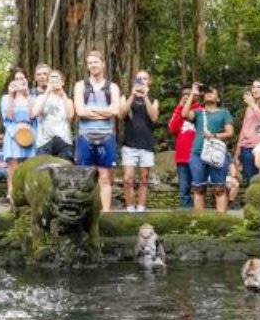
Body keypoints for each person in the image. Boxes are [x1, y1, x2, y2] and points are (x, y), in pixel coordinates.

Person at [74, 50, 122, 212]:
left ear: (103, 64)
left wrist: (91, 110)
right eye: (90, 63)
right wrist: (104, 112)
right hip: (85, 137)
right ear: (87, 66)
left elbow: (115, 110)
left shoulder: (112, 87)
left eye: (96, 62)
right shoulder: (80, 86)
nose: (93, 65)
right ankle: (84, 212)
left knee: (104, 177)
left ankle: (106, 213)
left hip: (106, 137)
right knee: (85, 178)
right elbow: (80, 112)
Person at [118, 69, 161, 212]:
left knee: (144, 178)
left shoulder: (153, 99)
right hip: (129, 144)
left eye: (145, 78)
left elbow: (154, 117)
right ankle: (130, 208)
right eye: (138, 79)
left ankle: (141, 208)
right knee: (128, 178)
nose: (142, 81)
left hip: (146, 144)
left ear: (149, 81)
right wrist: (132, 95)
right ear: (134, 81)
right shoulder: (126, 97)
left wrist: (145, 96)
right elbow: (121, 114)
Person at [188, 85, 235, 213]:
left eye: (212, 92)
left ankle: (220, 223)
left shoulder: (224, 112)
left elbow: (230, 133)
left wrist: (214, 135)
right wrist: (192, 94)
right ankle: (199, 222)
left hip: (217, 153)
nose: (208, 94)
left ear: (218, 99)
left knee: (219, 188)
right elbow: (184, 114)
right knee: (199, 189)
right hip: (197, 153)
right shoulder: (198, 112)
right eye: (207, 93)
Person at [0, 67, 36, 204]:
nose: (19, 82)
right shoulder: (5, 98)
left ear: (27, 80)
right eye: (17, 79)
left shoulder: (32, 97)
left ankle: (28, 195)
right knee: (12, 167)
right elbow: (9, 116)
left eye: (22, 79)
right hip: (12, 133)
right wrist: (10, 95)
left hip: (29, 134)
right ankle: (12, 195)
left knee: (29, 166)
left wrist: (27, 96)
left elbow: (32, 116)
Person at [169, 83, 202, 206]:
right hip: (182, 156)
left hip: (196, 155)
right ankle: (186, 215)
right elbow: (172, 129)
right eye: (184, 94)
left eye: (190, 94)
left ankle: (198, 215)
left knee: (199, 187)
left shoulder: (200, 110)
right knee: (184, 189)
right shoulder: (179, 110)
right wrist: (179, 107)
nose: (187, 96)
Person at [31, 69, 75, 159]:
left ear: (62, 82)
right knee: (43, 172)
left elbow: (70, 116)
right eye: (51, 80)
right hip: (44, 142)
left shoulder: (68, 100)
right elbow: (35, 113)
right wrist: (47, 92)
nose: (54, 82)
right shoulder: (40, 98)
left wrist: (63, 94)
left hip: (64, 141)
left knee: (64, 171)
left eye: (57, 80)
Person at [237, 78, 260, 184]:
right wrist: (237, 150)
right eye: (253, 87)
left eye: (259, 87)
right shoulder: (249, 108)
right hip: (246, 148)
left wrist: (253, 105)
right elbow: (244, 129)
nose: (255, 90)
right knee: (251, 181)